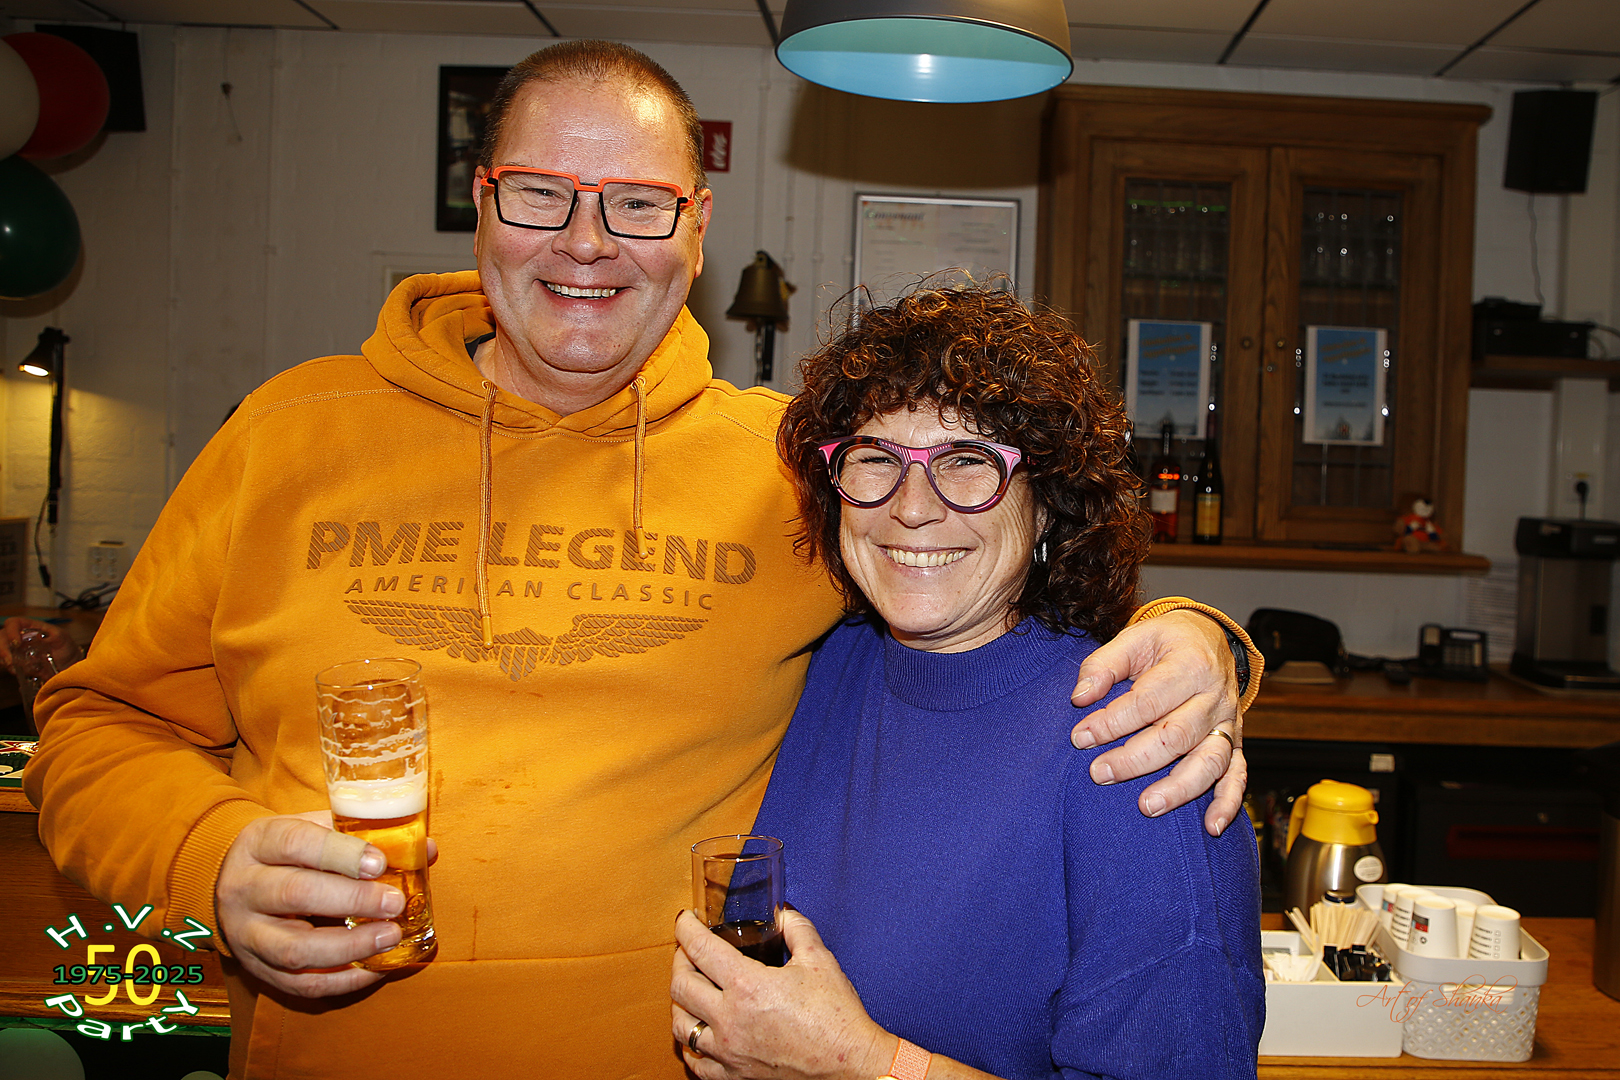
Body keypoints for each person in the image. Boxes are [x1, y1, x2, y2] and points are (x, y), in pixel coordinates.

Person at [24, 42, 1257, 1079]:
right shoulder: (286, 437)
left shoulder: (793, 470)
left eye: (637, 203)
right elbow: (94, 728)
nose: (587, 243)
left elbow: (990, 583)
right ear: (480, 202)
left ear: (697, 228)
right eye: (540, 194)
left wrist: (1206, 640)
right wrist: (208, 859)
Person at [671, 287, 1263, 1080]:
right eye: (875, 459)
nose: (912, 509)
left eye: (968, 462)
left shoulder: (1139, 752)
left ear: (1047, 504)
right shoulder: (822, 665)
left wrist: (864, 1065)